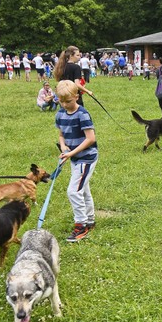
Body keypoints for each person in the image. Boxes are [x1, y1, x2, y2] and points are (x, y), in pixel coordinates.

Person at [56, 80, 98, 243]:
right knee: (83, 189)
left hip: (86, 158)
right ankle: (90, 220)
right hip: (74, 157)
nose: (65, 105)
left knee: (74, 191)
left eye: (68, 101)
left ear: (77, 96)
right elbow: (61, 135)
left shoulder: (83, 114)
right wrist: (63, 147)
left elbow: (90, 138)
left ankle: (81, 226)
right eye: (61, 101)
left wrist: (71, 153)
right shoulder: (60, 114)